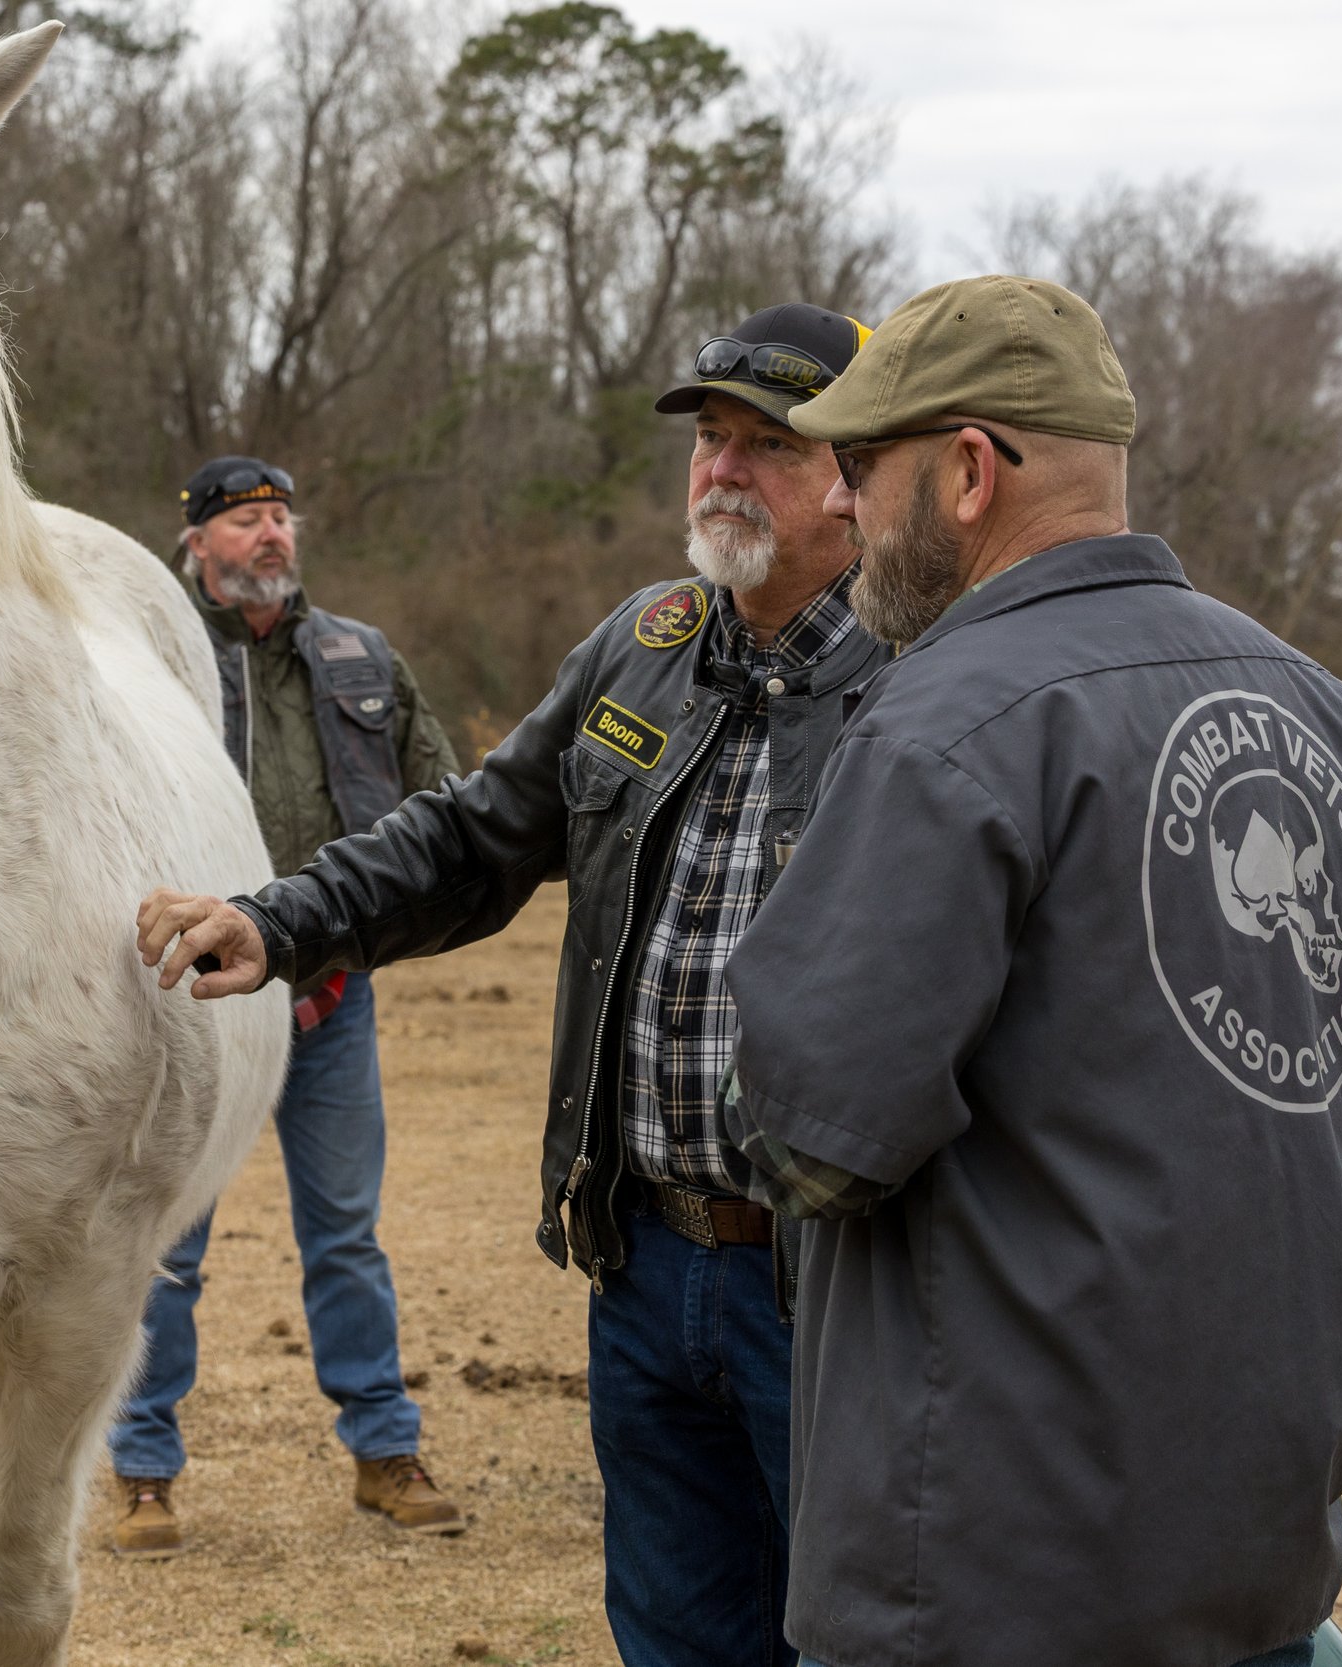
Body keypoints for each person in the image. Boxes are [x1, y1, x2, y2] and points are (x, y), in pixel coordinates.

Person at [123, 297, 876, 1667]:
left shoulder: (930, 675)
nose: (719, 469)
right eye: (708, 438)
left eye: (766, 441)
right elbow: (470, 834)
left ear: (857, 473)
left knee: (855, 1625)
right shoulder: (643, 642)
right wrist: (279, 919)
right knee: (679, 1628)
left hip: (835, 1283)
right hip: (644, 1261)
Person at [703, 275, 1342, 1667]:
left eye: (862, 464)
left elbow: (812, 1132)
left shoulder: (949, 718)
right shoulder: (1316, 700)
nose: (844, 505)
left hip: (996, 1556)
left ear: (967, 471)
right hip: (1259, 1533)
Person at [107, 456, 466, 1554]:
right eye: (243, 520)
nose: (270, 535)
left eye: (279, 517)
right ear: (197, 546)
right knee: (167, 1240)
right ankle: (142, 1468)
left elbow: (446, 804)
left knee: (346, 1233)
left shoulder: (359, 657)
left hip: (327, 996)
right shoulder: (147, 671)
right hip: (190, 1000)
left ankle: (383, 1448)